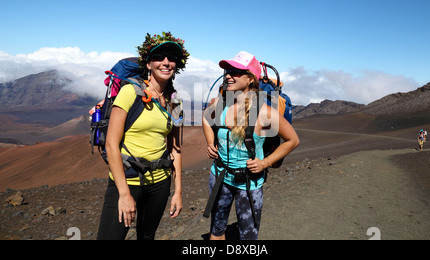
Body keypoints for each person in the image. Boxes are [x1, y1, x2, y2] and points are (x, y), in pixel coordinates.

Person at [97, 32, 189, 240]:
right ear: (148, 64)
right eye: (159, 57)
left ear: (177, 65)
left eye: (171, 58)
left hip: (160, 182)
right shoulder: (130, 92)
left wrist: (178, 192)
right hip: (127, 179)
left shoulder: (175, 103)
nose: (166, 62)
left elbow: (175, 149)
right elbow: (112, 144)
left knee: (147, 236)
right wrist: (123, 194)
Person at [202, 51, 300, 240]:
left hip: (249, 183)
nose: (229, 75)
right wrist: (209, 142)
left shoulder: (265, 112)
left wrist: (265, 163)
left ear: (250, 79)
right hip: (219, 176)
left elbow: (293, 140)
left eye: (237, 71)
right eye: (228, 71)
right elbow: (206, 119)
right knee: (217, 229)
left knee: (248, 236)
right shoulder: (219, 104)